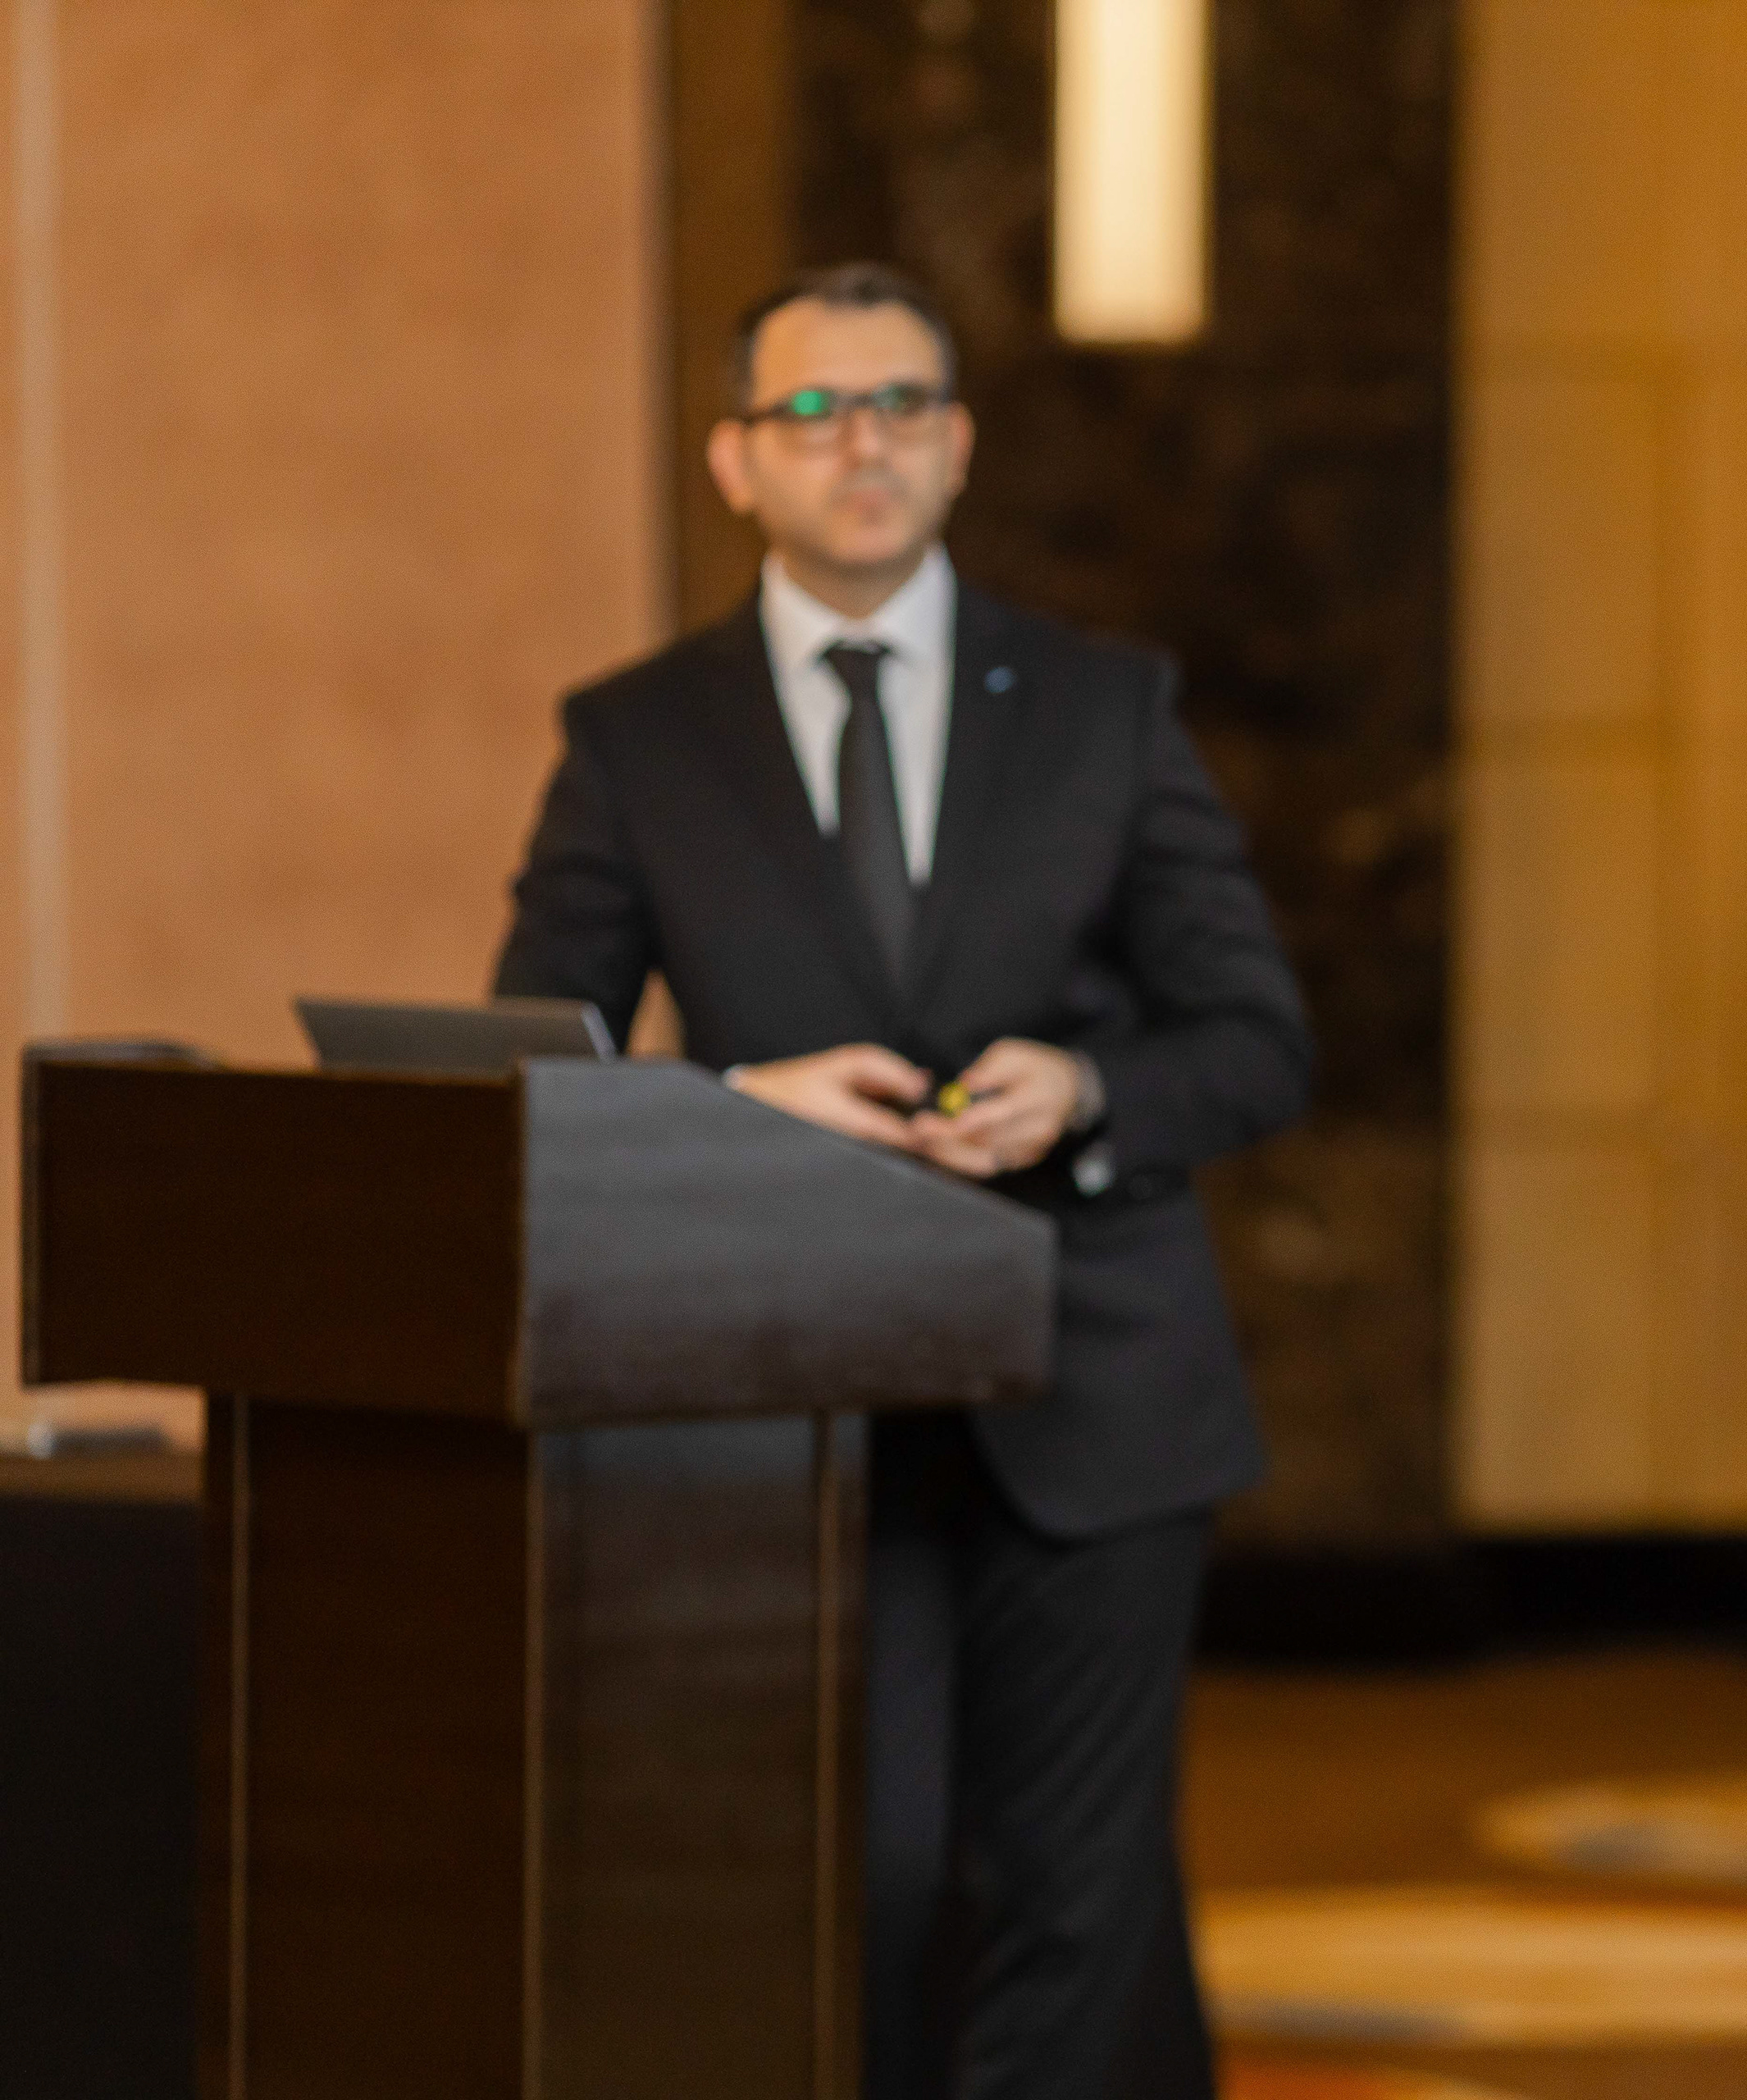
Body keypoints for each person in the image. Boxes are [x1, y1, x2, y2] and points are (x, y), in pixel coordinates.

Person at [494, 262, 1311, 2099]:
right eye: (813, 411)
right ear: (733, 461)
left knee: (1075, 1901)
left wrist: (1084, 1089)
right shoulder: (638, 735)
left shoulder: (1104, 704)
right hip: (798, 1416)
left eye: (902, 406)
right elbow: (536, 1065)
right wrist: (742, 1105)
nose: (861, 444)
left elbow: (1257, 1040)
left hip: (1096, 1389)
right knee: (866, 1884)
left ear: (958, 446)